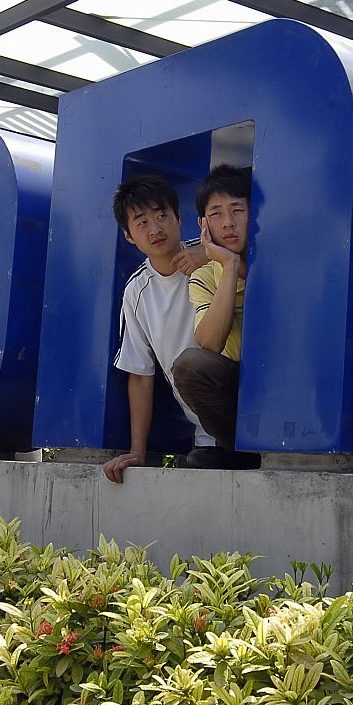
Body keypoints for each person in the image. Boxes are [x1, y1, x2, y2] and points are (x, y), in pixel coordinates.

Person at [102, 176, 211, 484]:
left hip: (247, 421)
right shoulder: (136, 292)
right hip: (205, 438)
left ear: (179, 217)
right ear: (128, 235)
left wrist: (216, 256)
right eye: (142, 222)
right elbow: (140, 375)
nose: (155, 229)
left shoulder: (212, 258)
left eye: (162, 216)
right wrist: (138, 451)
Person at [172, 164, 259, 471]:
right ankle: (241, 451)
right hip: (240, 386)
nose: (228, 223)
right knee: (190, 366)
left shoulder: (280, 260)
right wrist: (229, 265)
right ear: (203, 224)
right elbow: (209, 342)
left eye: (238, 210)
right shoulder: (205, 276)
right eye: (217, 214)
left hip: (285, 377)